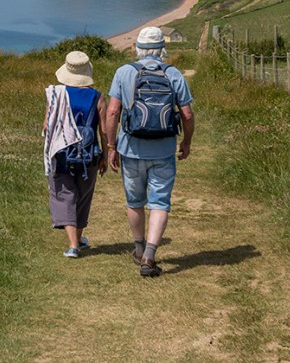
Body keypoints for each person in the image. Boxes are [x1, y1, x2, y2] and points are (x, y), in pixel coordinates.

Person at [105, 26, 194, 277]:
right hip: (164, 149)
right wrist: (186, 142)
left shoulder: (124, 72)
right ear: (162, 49)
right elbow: (186, 114)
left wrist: (111, 146)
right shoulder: (173, 74)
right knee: (159, 203)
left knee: (135, 202)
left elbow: (112, 112)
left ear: (137, 48)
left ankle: (138, 247)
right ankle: (150, 255)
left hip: (131, 149)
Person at [43, 50, 109, 258]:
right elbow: (104, 131)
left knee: (64, 194)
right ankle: (78, 239)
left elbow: (46, 126)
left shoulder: (56, 94)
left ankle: (73, 244)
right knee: (83, 195)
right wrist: (105, 155)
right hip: (88, 154)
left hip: (61, 153)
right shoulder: (97, 97)